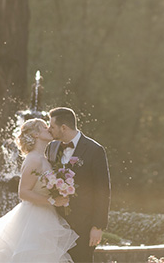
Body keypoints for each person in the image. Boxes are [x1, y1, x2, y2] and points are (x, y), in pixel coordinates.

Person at [0, 118, 78, 263]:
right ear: (35, 135)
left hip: (47, 214)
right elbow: (23, 192)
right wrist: (53, 200)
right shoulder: (33, 159)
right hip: (34, 219)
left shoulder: (44, 159)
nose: (49, 129)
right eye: (45, 127)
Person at [47, 107, 111, 263]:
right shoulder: (52, 148)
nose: (49, 130)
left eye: (52, 126)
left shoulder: (94, 150)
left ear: (64, 128)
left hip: (83, 224)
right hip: (55, 223)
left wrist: (97, 226)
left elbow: (103, 190)